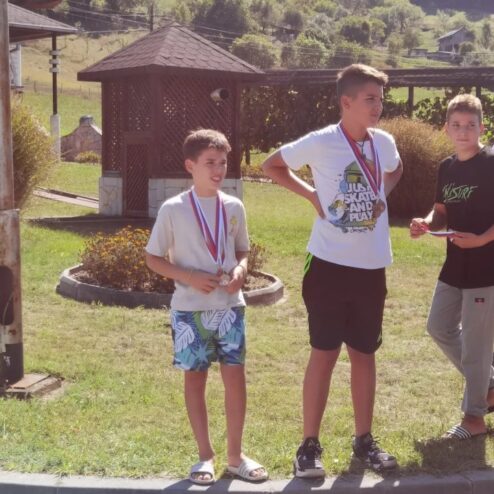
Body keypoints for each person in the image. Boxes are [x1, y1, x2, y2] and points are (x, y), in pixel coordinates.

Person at [262, 64, 403, 477]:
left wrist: (382, 192)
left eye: (380, 99)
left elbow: (395, 169)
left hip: (371, 267)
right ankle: (308, 446)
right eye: (370, 99)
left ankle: (364, 441)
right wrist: (311, 195)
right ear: (346, 102)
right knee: (324, 353)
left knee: (364, 353)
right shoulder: (322, 141)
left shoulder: (384, 143)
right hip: (327, 265)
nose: (378, 107)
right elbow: (272, 165)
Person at [145, 129, 267, 484]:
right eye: (210, 162)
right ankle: (204, 456)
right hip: (190, 311)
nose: (218, 170)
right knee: (195, 380)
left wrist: (241, 269)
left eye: (223, 162)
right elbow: (153, 258)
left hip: (230, 308)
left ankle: (235, 456)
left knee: (235, 380)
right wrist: (189, 276)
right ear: (190, 166)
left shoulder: (234, 206)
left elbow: (242, 249)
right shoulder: (173, 209)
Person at [410, 93, 494, 440]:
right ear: (446, 128)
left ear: (482, 128)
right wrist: (427, 222)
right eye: (456, 125)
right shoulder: (447, 167)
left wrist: (480, 240)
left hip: (486, 269)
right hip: (454, 265)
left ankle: (474, 419)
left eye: (470, 125)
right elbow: (441, 209)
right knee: (438, 326)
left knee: (476, 346)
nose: (463, 132)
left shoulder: (491, 162)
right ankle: (489, 385)